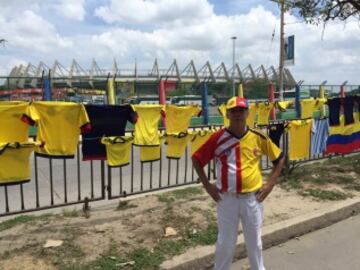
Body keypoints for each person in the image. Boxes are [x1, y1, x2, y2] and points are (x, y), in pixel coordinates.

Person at [192, 96, 285, 270]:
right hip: (227, 199)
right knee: (225, 244)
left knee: (254, 243)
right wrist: (207, 186)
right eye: (233, 111)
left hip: (253, 199)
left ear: (247, 113)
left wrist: (270, 184)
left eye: (241, 110)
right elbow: (196, 159)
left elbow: (279, 158)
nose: (237, 114)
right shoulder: (218, 138)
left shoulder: (258, 137)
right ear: (227, 114)